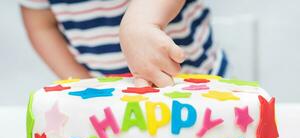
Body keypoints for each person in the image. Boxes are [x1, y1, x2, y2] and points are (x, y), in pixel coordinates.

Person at [20, 0, 228, 87]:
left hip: (197, 85)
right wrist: (84, 84)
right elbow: (41, 26)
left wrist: (142, 21)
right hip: (111, 100)